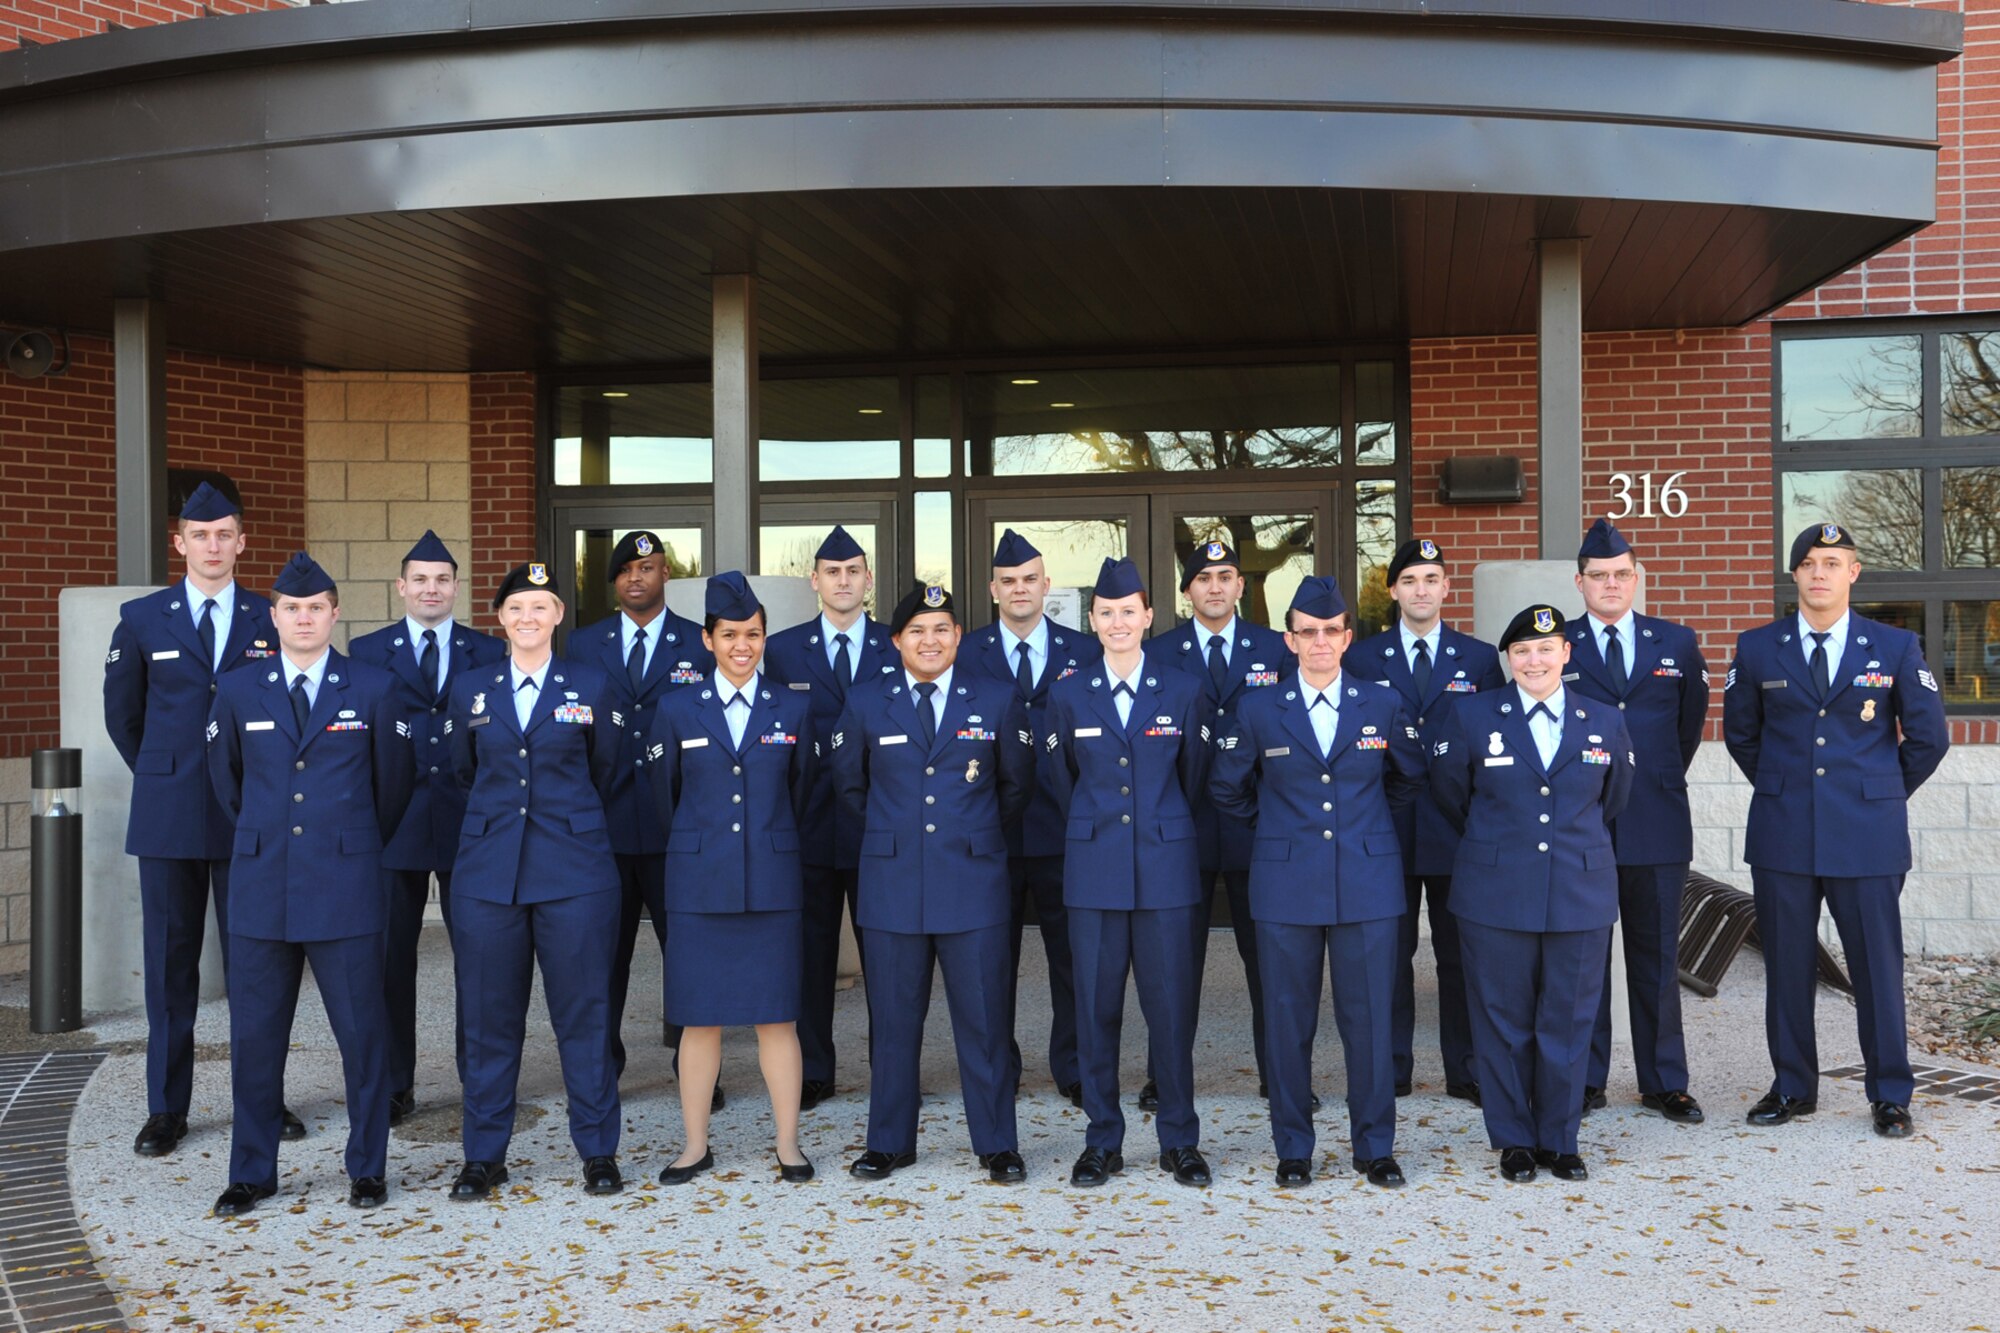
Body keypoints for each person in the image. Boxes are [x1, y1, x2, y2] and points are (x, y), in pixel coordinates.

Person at [204, 552, 413, 1215]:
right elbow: (227, 782)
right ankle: (252, 1171)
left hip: (346, 885)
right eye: (291, 608)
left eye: (315, 607)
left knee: (363, 1036)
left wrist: (344, 839)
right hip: (263, 887)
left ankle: (367, 1167)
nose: (303, 617)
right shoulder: (239, 690)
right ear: (274, 615)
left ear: (333, 612)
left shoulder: (373, 687)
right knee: (256, 1040)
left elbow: (393, 787)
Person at [1723, 523, 1948, 1138]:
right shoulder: (1757, 648)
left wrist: (1877, 793)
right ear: (1794, 575)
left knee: (1876, 967)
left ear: (1853, 572)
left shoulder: (1896, 646)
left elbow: (1930, 738)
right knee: (1788, 968)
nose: (1819, 573)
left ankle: (1891, 1095)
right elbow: (1740, 734)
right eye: (1808, 564)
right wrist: (1786, 787)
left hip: (1868, 835)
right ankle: (1793, 1087)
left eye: (1832, 562)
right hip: (1784, 832)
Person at [103, 480, 305, 1156]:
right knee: (169, 967)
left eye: (225, 534)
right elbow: (124, 717)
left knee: (257, 966)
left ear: (242, 540)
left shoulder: (268, 615)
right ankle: (167, 1108)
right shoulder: (141, 618)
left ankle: (263, 1100)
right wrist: (169, 777)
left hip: (252, 818)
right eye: (200, 534)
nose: (213, 545)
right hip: (168, 820)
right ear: (179, 541)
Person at [1209, 575, 1423, 1189]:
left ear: (1348, 637)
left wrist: (1366, 828)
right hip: (1285, 884)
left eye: (1331, 631)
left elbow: (1408, 779)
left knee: (1370, 1021)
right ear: (1290, 639)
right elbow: (1228, 788)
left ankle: (1374, 1147)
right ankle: (1293, 1149)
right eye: (1308, 632)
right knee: (1286, 1019)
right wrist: (1278, 832)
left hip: (1367, 881)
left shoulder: (1380, 704)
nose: (1321, 641)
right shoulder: (1258, 708)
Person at [831, 582, 1034, 1183]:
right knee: (893, 1022)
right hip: (893, 883)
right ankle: (890, 1142)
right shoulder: (866, 702)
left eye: (942, 628)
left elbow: (1016, 787)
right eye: (917, 630)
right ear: (895, 641)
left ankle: (997, 1143)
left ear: (958, 638)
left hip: (973, 882)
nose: (930, 639)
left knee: (985, 1021)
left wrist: (966, 836)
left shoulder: (997, 699)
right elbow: (849, 785)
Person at [1429, 604, 1634, 1184]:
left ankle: (1560, 1139)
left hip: (1579, 889)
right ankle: (1514, 1139)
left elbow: (1613, 798)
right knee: (1502, 1021)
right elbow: (1453, 795)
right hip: (1496, 891)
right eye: (1522, 651)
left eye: (1546, 649)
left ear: (1566, 654)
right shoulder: (1471, 717)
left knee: (1567, 1020)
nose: (1534, 659)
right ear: (1509, 660)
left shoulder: (1603, 720)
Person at [445, 561, 624, 1200]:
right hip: (490, 873)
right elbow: (463, 772)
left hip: (574, 872)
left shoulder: (592, 684)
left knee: (584, 1016)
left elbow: (608, 768)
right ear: (501, 619)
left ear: (557, 617)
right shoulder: (470, 688)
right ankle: (483, 1156)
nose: (528, 617)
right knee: (488, 1020)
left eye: (541, 606)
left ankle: (598, 1151)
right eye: (517, 607)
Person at [1047, 557, 1214, 1189]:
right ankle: (1103, 1140)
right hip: (1093, 874)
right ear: (1092, 620)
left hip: (1166, 872)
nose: (1118, 622)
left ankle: (1179, 1139)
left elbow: (1193, 776)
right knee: (1095, 1009)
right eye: (1106, 613)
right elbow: (1060, 779)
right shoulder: (1067, 694)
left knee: (1170, 1010)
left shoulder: (1182, 689)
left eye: (1129, 612)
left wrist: (1156, 825)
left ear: (1149, 616)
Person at [644, 572, 817, 1185]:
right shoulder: (675, 707)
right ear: (708, 639)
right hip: (699, 884)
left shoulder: (793, 706)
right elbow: (666, 798)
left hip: (771, 882)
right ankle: (694, 1145)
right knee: (700, 1019)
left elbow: (802, 790)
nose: (743, 645)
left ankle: (788, 1143)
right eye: (730, 635)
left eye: (753, 634)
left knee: (777, 1019)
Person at [346, 530, 506, 1122]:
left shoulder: (488, 652)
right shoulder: (365, 652)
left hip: (471, 825)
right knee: (389, 961)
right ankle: (393, 1083)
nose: (431, 588)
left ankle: (480, 1082)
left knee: (482, 960)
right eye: (420, 579)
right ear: (401, 587)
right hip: (393, 823)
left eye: (442, 579)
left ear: (457, 588)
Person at [1346, 538, 1504, 1104]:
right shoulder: (1362, 658)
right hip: (1382, 826)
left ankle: (1468, 1070)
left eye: (1431, 579)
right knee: (1385, 956)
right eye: (1410, 580)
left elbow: (1494, 742)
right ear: (1393, 590)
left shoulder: (1481, 658)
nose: (1421, 589)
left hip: (1458, 827)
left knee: (1461, 954)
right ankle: (1389, 1070)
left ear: (1446, 588)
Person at [1141, 539, 1295, 1109]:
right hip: (1182, 827)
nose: (1214, 586)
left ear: (1240, 587)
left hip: (1259, 829)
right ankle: (1166, 1078)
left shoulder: (1274, 648)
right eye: (1203, 577)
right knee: (1172, 966)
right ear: (1186, 591)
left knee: (1274, 966)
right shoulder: (1158, 652)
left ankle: (1281, 1077)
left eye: (1225, 575)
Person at [1565, 519, 1709, 1122]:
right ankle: (1586, 1079)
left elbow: (1688, 728)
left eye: (1622, 574)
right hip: (1582, 824)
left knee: (1655, 957)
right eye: (1599, 576)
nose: (1611, 585)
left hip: (1655, 818)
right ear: (1580, 583)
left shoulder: (1674, 642)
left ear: (1637, 577)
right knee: (1584, 958)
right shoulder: (1557, 642)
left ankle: (1663, 1081)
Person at [565, 530, 714, 1092]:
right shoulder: (582, 645)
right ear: (614, 580)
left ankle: (694, 1069)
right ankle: (603, 1067)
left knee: (687, 952)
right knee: (603, 957)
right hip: (602, 827)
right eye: (626, 569)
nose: (636, 577)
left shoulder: (698, 644)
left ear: (664, 576)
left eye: (647, 567)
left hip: (675, 824)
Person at [962, 527, 1101, 1107]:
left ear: (1047, 585)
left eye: (1030, 580)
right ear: (993, 589)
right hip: (988, 828)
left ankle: (1072, 1065)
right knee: (991, 961)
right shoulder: (967, 652)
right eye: (1009, 581)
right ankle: (1000, 1066)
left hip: (1065, 829)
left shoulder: (1084, 650)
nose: (1020, 590)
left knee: (1072, 957)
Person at [764, 525, 895, 1110]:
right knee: (809, 957)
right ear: (814, 580)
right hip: (808, 823)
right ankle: (814, 1069)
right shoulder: (783, 650)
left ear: (869, 579)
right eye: (832, 572)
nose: (844, 581)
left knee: (890, 957)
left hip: (882, 822)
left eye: (854, 571)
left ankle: (890, 1068)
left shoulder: (899, 643)